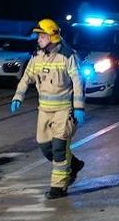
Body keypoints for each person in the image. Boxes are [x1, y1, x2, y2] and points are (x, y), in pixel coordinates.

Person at [11, 19, 86, 199]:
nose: (39, 39)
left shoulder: (68, 56)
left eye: (42, 36)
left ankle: (58, 187)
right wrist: (18, 96)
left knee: (59, 148)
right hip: (44, 110)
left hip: (64, 110)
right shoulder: (37, 57)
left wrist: (79, 108)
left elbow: (78, 82)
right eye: (39, 36)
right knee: (46, 148)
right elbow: (26, 77)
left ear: (52, 37)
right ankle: (74, 164)